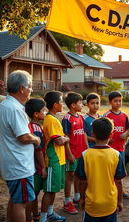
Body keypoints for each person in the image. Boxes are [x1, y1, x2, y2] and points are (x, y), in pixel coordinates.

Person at [0, 70, 40, 222]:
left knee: (15, 199)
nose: (31, 89)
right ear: (21, 88)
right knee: (22, 202)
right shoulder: (15, 109)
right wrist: (36, 139)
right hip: (19, 165)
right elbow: (23, 136)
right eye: (30, 86)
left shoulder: (6, 104)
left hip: (11, 161)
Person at [75, 117, 127, 222]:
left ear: (93, 133)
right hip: (110, 204)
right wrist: (120, 201)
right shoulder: (116, 155)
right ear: (111, 134)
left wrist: (82, 198)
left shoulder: (85, 155)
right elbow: (118, 182)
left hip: (92, 204)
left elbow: (82, 182)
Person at [39, 91, 69, 222]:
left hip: (59, 159)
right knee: (49, 190)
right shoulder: (50, 120)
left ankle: (50, 213)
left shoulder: (54, 118)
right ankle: (43, 218)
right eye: (61, 102)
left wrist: (64, 139)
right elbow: (58, 141)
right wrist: (66, 139)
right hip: (53, 159)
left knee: (54, 189)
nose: (63, 104)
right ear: (55, 104)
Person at [62, 92, 88, 214]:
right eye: (80, 103)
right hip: (72, 153)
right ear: (73, 105)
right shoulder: (67, 119)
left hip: (82, 153)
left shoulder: (81, 117)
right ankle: (67, 201)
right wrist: (69, 154)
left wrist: (87, 149)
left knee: (79, 175)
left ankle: (77, 197)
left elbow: (84, 135)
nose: (82, 105)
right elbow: (66, 138)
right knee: (70, 176)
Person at [103, 91, 129, 198]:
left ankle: (120, 190)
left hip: (120, 148)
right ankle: (108, 189)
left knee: (120, 171)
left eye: (120, 101)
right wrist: (107, 139)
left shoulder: (124, 115)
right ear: (110, 102)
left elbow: (128, 129)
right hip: (108, 149)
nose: (118, 103)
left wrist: (125, 134)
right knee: (109, 170)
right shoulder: (106, 115)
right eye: (115, 101)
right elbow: (102, 130)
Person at [25, 98, 47, 222]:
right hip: (36, 165)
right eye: (43, 110)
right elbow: (38, 150)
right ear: (36, 114)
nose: (45, 112)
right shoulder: (36, 128)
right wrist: (43, 167)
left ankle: (35, 214)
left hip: (32, 164)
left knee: (34, 194)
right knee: (34, 194)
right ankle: (29, 218)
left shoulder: (30, 126)